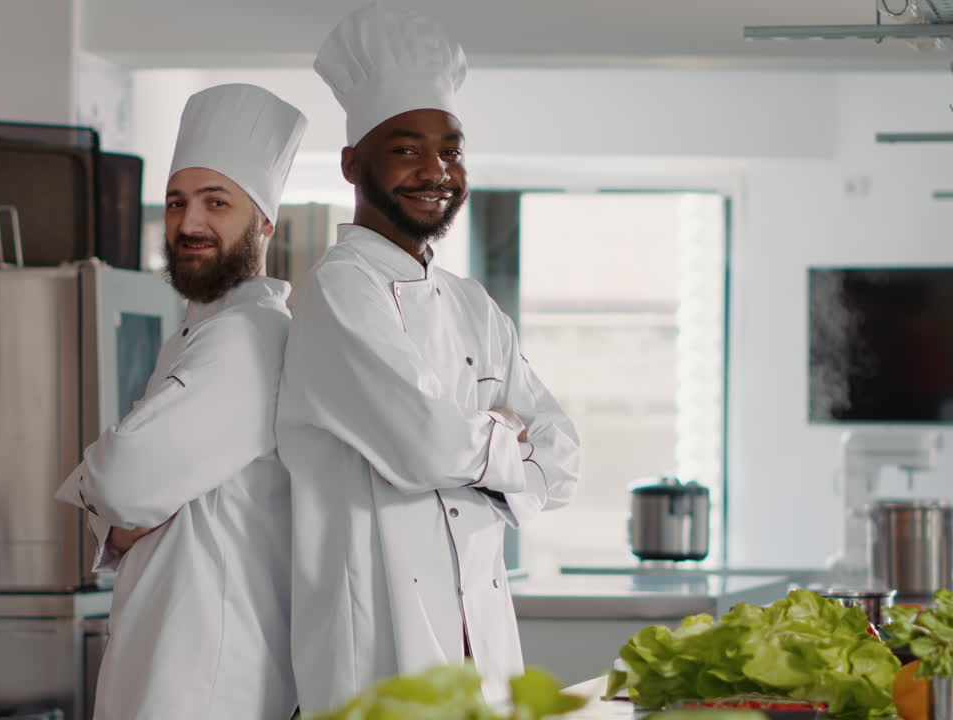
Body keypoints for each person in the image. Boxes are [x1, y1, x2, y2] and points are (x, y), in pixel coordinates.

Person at [276, 2, 581, 713]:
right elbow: (423, 444)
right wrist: (507, 437)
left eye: (451, 149)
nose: (436, 170)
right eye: (407, 148)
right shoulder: (338, 291)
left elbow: (565, 461)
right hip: (377, 648)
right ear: (353, 163)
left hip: (484, 649)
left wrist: (479, 444)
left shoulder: (471, 302)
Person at [55, 82, 306, 720]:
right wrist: (118, 506)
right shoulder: (199, 334)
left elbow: (125, 481)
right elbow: (124, 497)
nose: (189, 223)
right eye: (176, 202)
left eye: (216, 203)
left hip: (205, 681)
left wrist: (114, 502)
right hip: (167, 667)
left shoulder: (248, 339)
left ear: (265, 223)